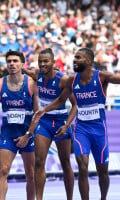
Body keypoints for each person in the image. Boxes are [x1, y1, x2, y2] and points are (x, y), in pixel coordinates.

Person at [33, 47, 118, 200]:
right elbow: (60, 100)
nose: (75, 60)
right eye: (74, 57)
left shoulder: (102, 77)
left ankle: (103, 197)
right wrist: (44, 110)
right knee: (82, 165)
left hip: (99, 129)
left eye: (78, 58)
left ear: (89, 61)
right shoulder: (72, 80)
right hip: (81, 129)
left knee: (102, 171)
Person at [23, 48, 77, 200]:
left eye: (45, 61)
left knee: (65, 163)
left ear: (53, 63)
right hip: (44, 122)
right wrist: (21, 66)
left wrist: (67, 125)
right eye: (40, 61)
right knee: (39, 162)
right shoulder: (37, 75)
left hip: (60, 123)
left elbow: (74, 105)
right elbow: (27, 71)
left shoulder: (63, 80)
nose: (42, 64)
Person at [0, 50, 38, 200]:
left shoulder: (32, 84)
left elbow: (37, 113)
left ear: (22, 64)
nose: (12, 64)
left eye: (15, 61)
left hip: (28, 134)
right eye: (9, 61)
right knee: (3, 171)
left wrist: (28, 135)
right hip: (8, 134)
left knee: (31, 174)